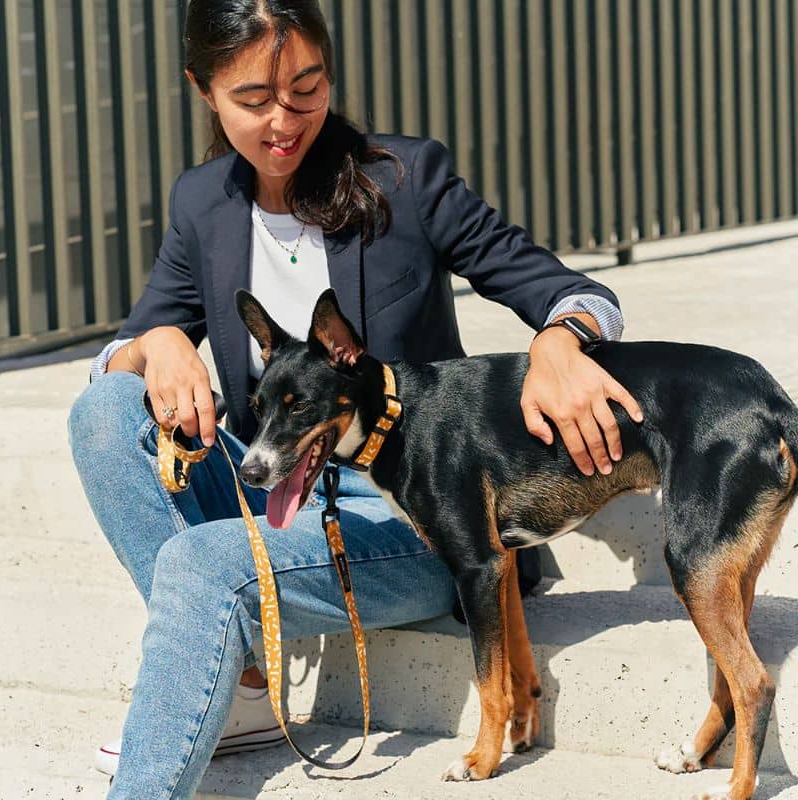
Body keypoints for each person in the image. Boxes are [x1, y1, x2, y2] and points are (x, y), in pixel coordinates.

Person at [67, 1, 642, 797]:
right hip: (278, 488)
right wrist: (150, 343)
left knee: (200, 563)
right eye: (254, 99)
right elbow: (117, 361)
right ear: (203, 91)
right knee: (103, 412)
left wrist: (561, 338)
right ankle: (240, 688)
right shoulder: (203, 203)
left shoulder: (405, 179)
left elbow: (576, 293)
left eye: (307, 89)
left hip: (414, 514)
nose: (284, 120)